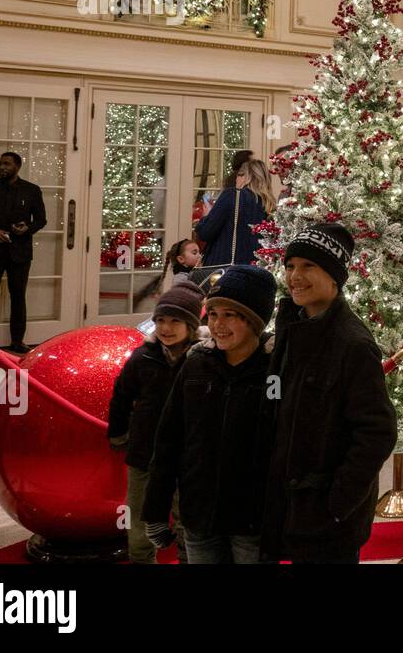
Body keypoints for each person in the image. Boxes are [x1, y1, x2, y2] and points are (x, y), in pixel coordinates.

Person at [260, 224, 397, 564]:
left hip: (325, 516)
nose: (295, 276)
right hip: (287, 504)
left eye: (309, 266)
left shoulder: (352, 344)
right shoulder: (291, 325)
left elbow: (377, 432)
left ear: (334, 277)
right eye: (290, 265)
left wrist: (337, 504)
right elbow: (276, 398)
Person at [143, 265, 276, 564]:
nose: (218, 324)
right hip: (199, 515)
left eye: (231, 314)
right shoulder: (195, 366)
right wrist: (155, 510)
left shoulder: (273, 373)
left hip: (251, 520)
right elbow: (168, 441)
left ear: (254, 321)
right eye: (213, 314)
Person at [107, 280, 202, 563]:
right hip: (145, 454)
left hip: (187, 457)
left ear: (191, 324)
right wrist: (118, 433)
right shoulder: (142, 357)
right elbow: (121, 396)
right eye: (160, 320)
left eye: (175, 321)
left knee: (186, 517)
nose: (165, 328)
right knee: (138, 518)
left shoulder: (202, 359)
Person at [0, 152, 46, 354]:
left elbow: (41, 220)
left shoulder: (32, 190)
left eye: (6, 164)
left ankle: (17, 340)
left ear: (18, 166)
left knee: (18, 296)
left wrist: (27, 228)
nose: (2, 167)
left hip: (20, 251)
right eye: (0, 164)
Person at [193, 159, 273, 268]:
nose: (236, 179)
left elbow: (206, 232)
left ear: (245, 177)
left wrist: (206, 216)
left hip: (226, 268)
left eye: (238, 175)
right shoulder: (269, 205)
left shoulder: (232, 195)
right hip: (257, 269)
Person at [134, 238, 202, 308]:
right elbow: (186, 299)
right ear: (181, 259)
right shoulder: (180, 278)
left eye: (199, 252)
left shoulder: (194, 274)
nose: (199, 256)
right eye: (194, 253)